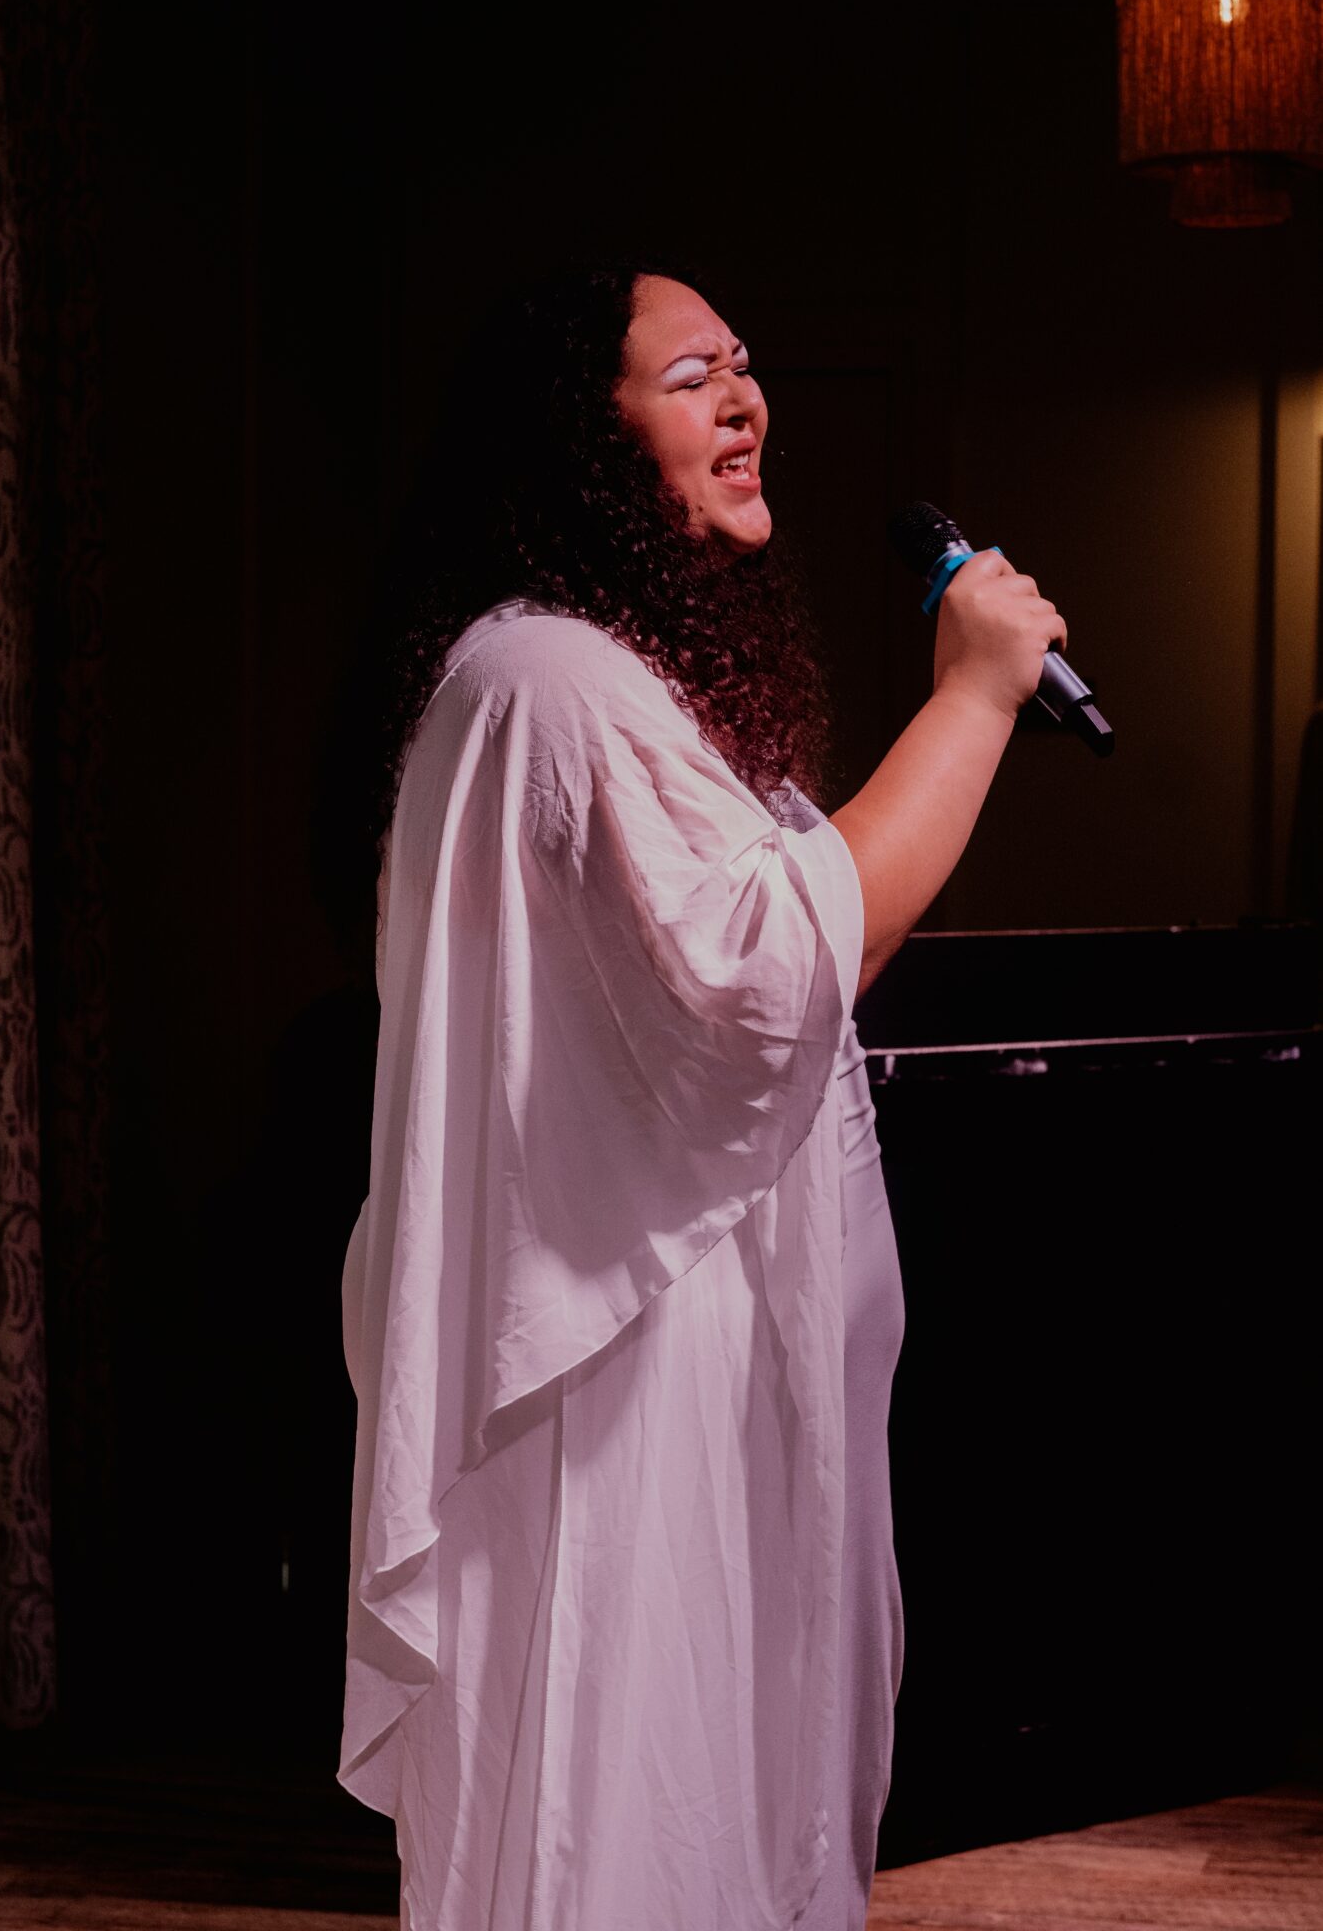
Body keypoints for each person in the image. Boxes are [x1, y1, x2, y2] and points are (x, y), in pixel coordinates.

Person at [326, 255, 1066, 1931]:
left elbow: (795, 952)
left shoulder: (624, 683)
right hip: (613, 1373)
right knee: (623, 1794)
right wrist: (971, 695)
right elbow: (767, 970)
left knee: (733, 1794)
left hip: (709, 1358)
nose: (744, 401)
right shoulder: (549, 686)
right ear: (580, 444)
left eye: (745, 365)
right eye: (688, 378)